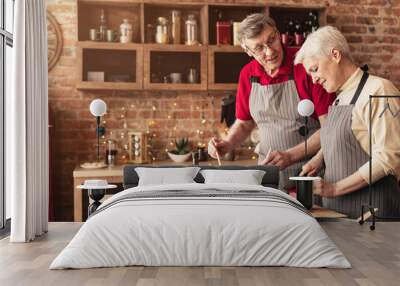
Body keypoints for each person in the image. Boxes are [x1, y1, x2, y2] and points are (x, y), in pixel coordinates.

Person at [208, 13, 335, 191]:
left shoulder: (305, 65)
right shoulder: (247, 74)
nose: (270, 51)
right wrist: (227, 143)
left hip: (311, 176)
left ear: (277, 33)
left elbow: (330, 127)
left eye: (271, 40)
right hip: (268, 178)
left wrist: (291, 155)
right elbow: (244, 124)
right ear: (248, 51)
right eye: (259, 48)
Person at [295, 26, 400, 218]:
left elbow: (388, 157)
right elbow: (349, 137)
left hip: (374, 214)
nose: (314, 80)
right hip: (339, 213)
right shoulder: (339, 98)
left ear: (335, 55)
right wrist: (320, 158)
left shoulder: (379, 90)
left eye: (315, 69)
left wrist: (335, 189)